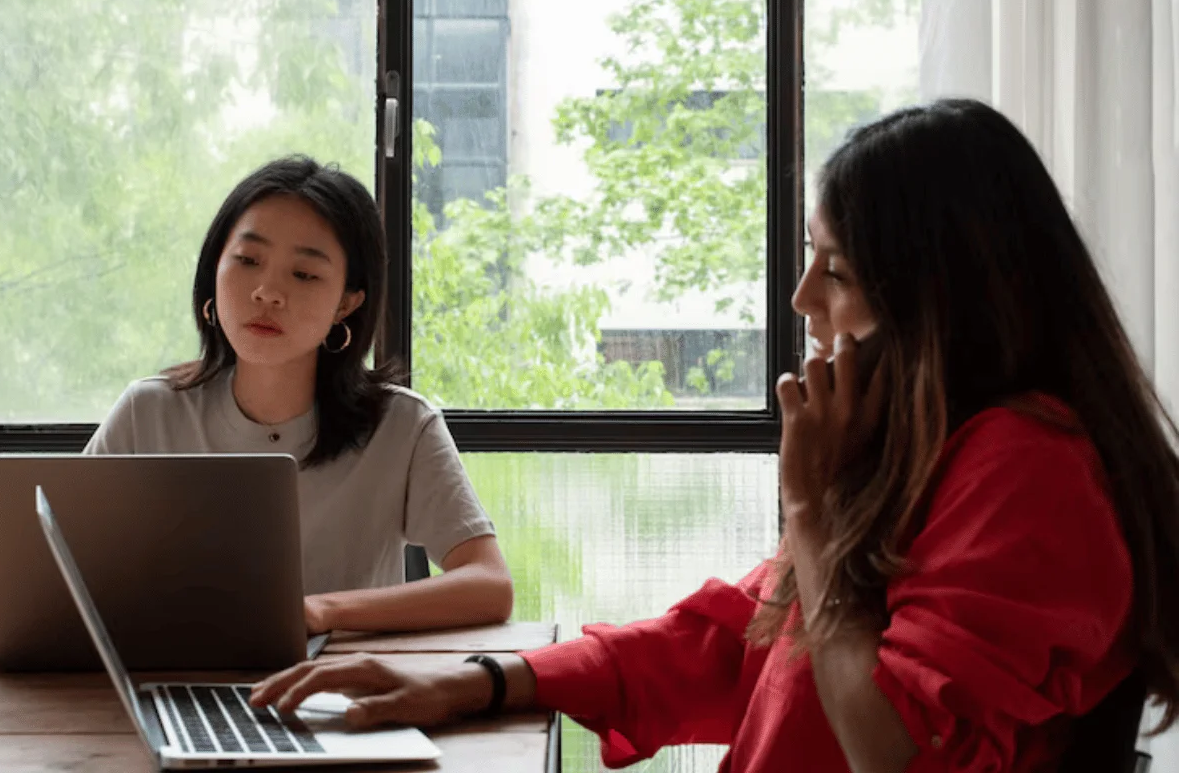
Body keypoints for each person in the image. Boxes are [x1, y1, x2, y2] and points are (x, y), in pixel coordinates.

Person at [249, 100, 1179, 771]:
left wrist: (811, 507)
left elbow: (892, 747)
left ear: (943, 304)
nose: (803, 299)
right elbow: (731, 639)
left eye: (839, 272)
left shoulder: (1031, 472)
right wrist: (479, 682)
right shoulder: (926, 456)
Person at [85, 156, 514, 636]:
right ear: (214, 272)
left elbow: (489, 585)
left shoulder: (401, 425)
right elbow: (54, 572)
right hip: (165, 687)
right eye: (248, 261)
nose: (268, 292)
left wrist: (323, 612)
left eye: (305, 275)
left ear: (347, 302)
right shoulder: (148, 413)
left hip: (337, 696)